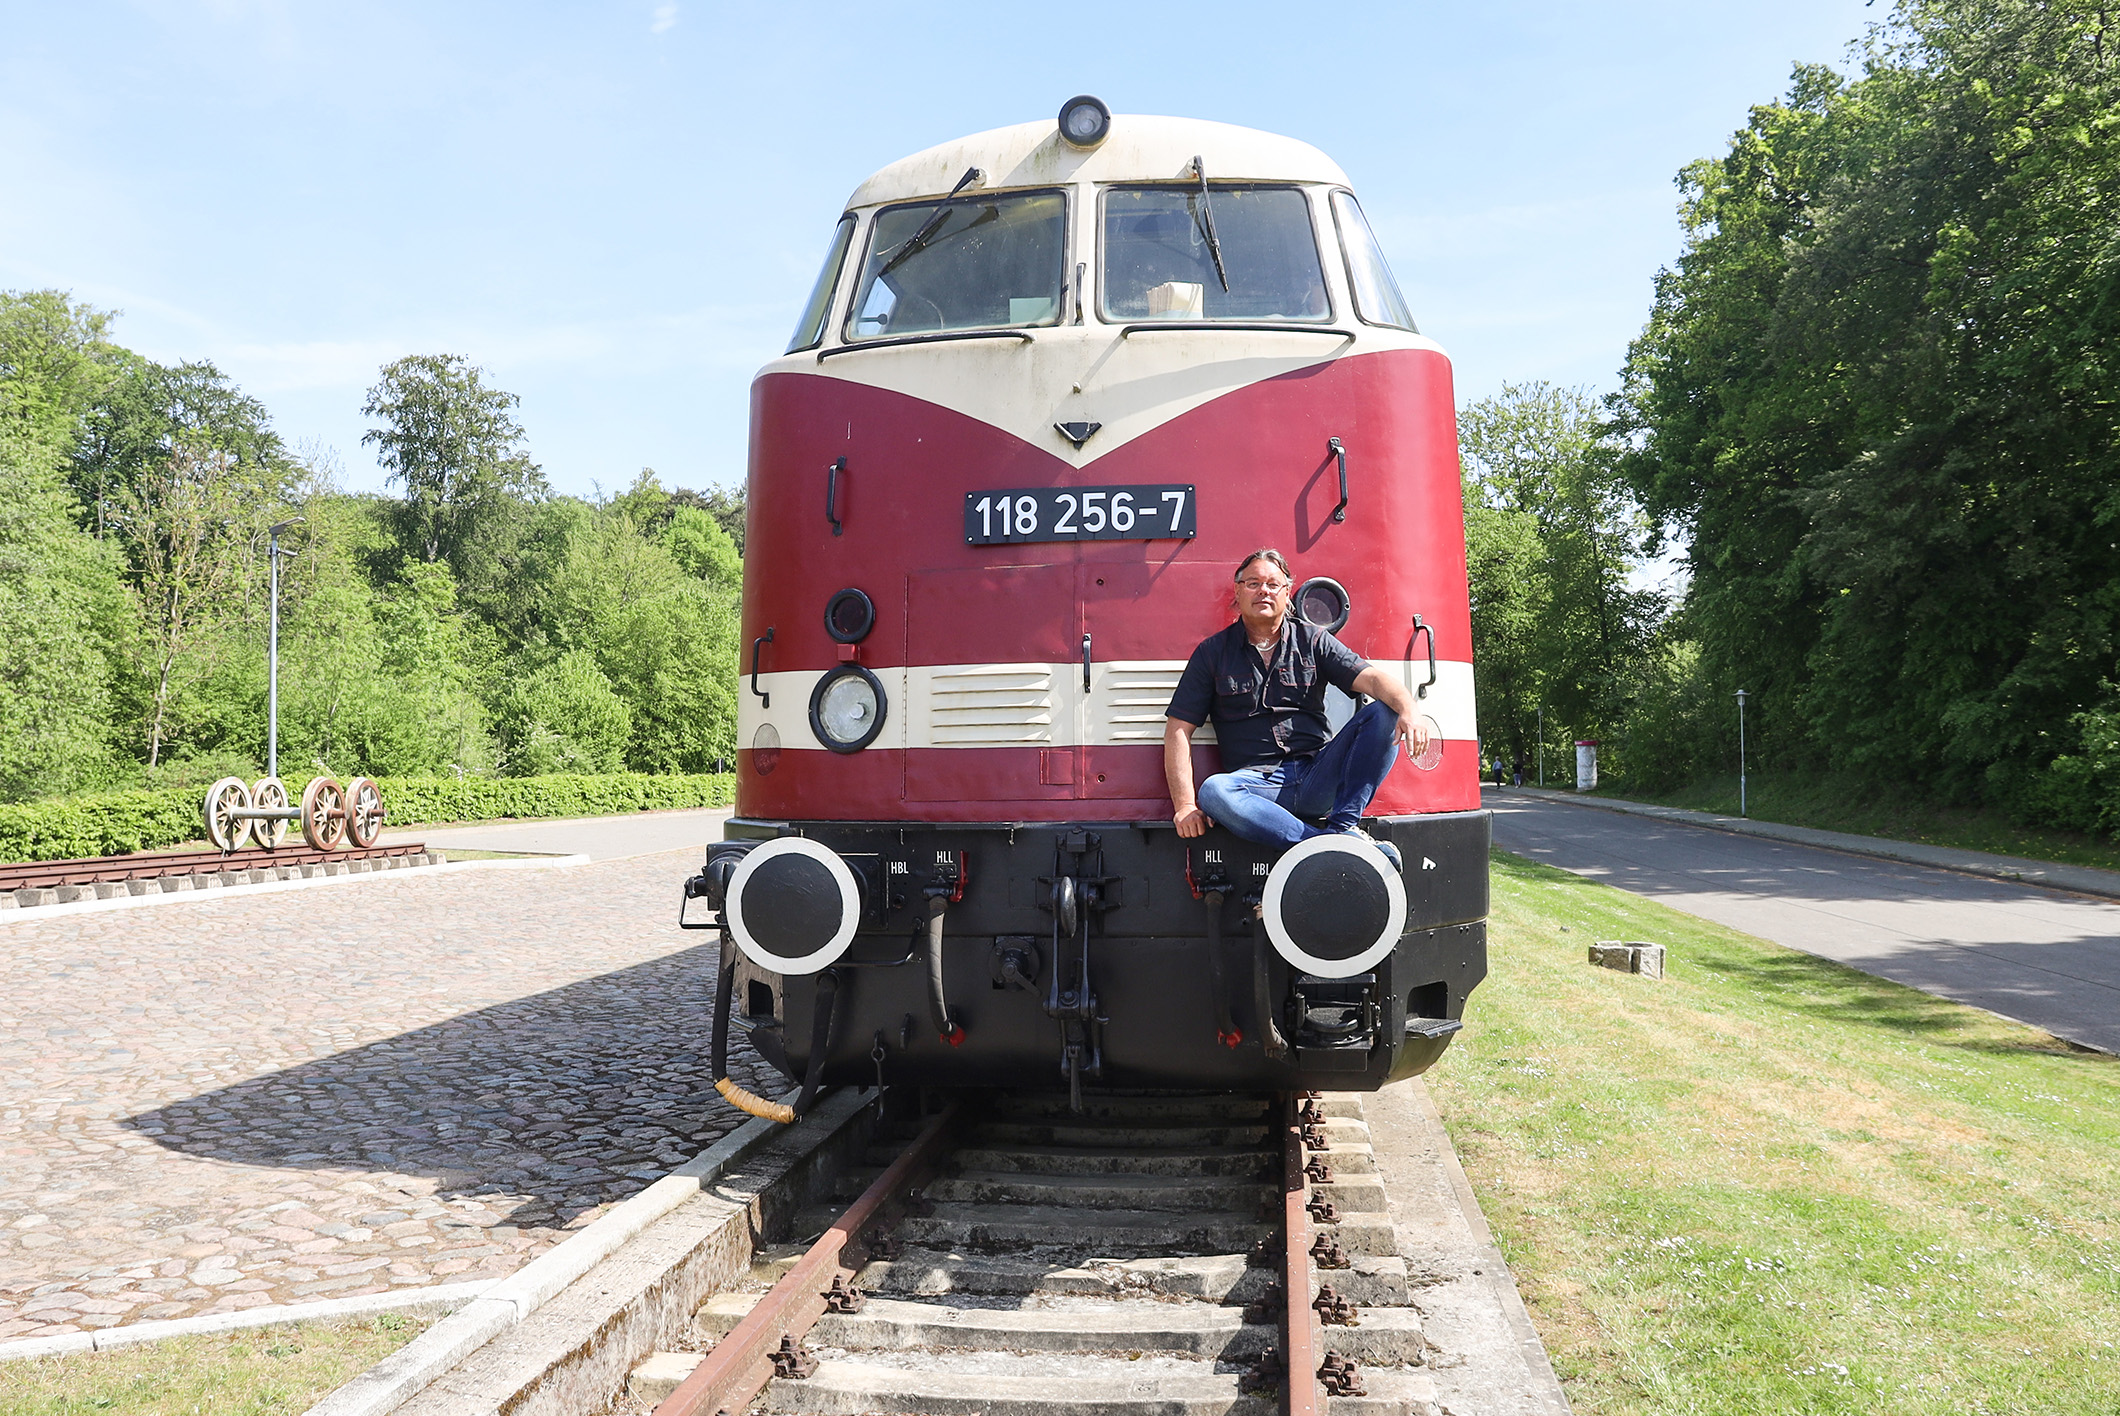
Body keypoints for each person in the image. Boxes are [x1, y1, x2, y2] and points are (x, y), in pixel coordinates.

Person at [1163, 548, 1430, 871]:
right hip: (1257, 790)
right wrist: (1185, 805)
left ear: (1287, 592)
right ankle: (1328, 844)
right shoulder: (1211, 653)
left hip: (1317, 774)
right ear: (1237, 590)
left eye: (1273, 584)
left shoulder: (1313, 640)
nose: (1263, 590)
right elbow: (1178, 729)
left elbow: (1372, 680)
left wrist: (1409, 710)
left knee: (1385, 714)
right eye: (1253, 583)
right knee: (1214, 791)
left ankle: (1343, 824)